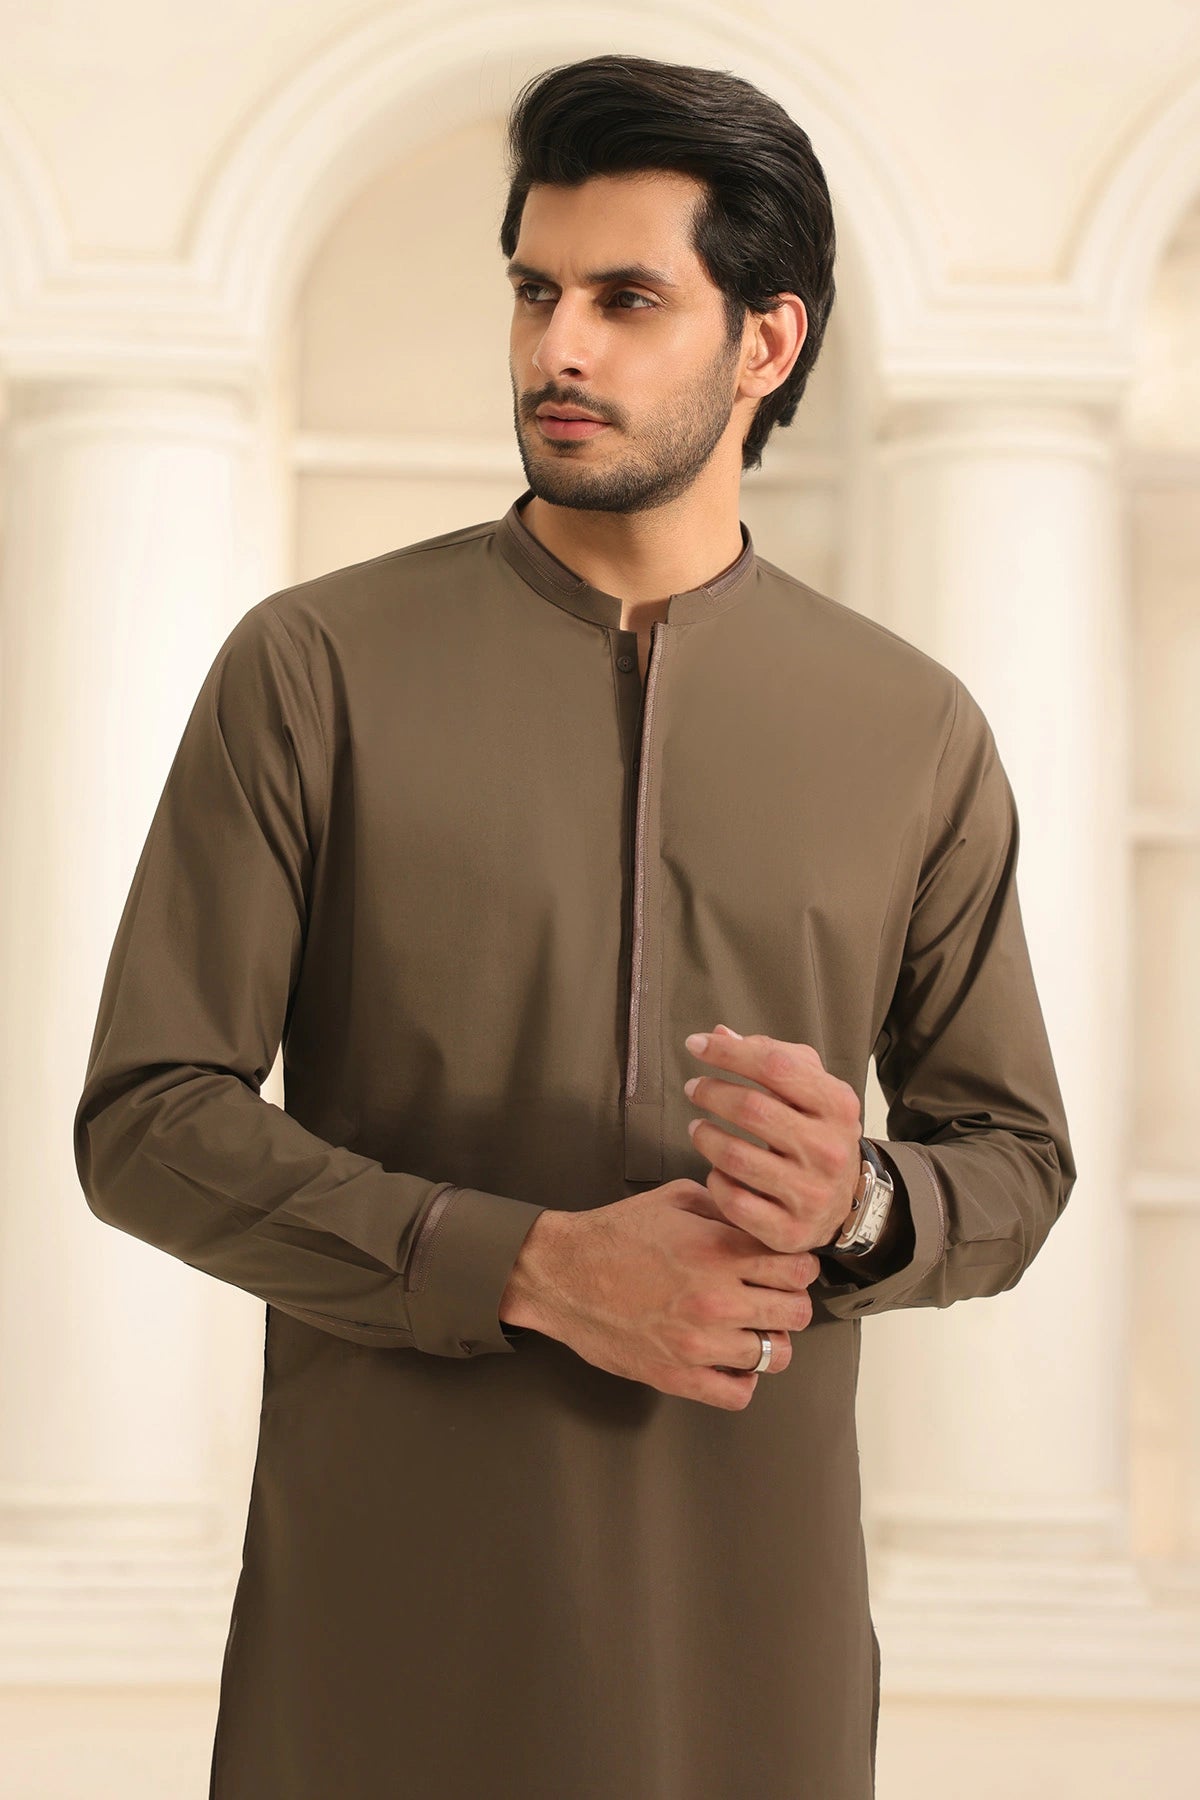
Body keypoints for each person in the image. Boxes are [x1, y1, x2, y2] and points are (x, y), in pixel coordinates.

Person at [73, 51, 1076, 1800]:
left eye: (626, 300)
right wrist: (530, 1267)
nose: (559, 349)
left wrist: (859, 1200)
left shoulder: (911, 728)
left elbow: (1016, 1162)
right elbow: (147, 1120)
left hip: (749, 1676)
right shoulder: (313, 670)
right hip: (377, 1663)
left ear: (767, 343)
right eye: (536, 292)